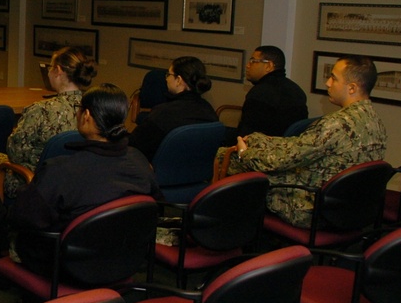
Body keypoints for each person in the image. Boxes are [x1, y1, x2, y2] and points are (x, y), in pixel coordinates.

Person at [8, 83, 161, 276]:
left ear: (86, 116)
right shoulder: (139, 160)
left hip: (66, 266)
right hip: (123, 259)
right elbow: (155, 204)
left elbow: (23, 218)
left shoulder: (60, 170)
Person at [222, 55, 387, 228]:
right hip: (350, 207)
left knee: (228, 159)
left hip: (313, 207)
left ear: (352, 88)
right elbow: (301, 146)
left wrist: (244, 153)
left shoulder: (335, 124)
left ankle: (227, 235)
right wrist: (261, 140)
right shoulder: (374, 120)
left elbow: (282, 160)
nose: (328, 83)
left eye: (333, 78)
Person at [0, 47, 96, 194]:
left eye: (50, 67)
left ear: (58, 71)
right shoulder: (94, 109)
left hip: (37, 182)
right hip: (78, 181)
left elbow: (15, 153)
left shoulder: (41, 110)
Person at [129, 55, 218, 162]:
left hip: (157, 174)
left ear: (179, 80)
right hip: (196, 174)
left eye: (168, 74)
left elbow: (134, 145)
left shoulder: (163, 113)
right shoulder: (209, 111)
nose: (166, 79)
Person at [234, 45, 307, 139]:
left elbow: (246, 136)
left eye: (253, 61)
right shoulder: (296, 89)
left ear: (268, 66)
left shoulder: (260, 93)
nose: (247, 65)